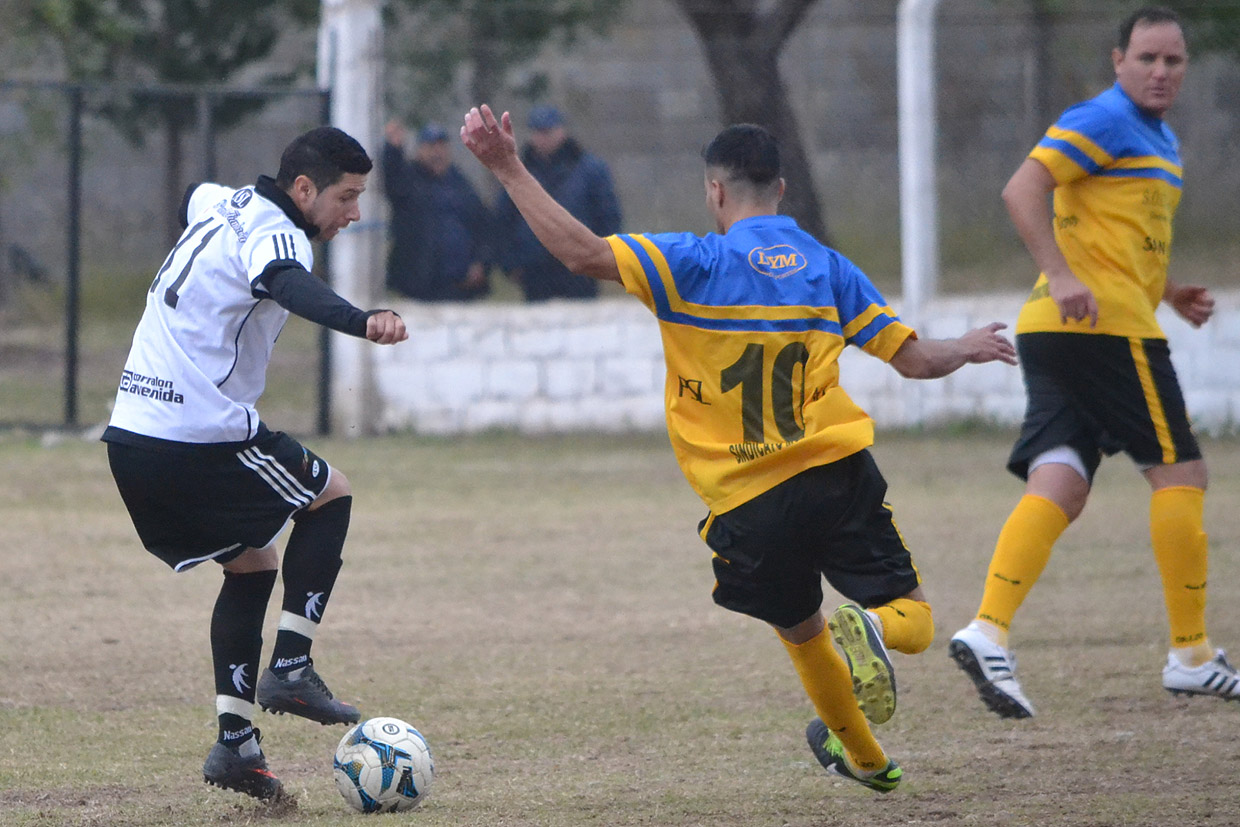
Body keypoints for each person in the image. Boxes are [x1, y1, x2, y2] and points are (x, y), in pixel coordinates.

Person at [462, 107, 1017, 792]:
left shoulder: (690, 262)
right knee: (917, 618)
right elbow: (916, 361)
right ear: (781, 189)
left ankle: (870, 758)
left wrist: (507, 167)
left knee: (802, 628)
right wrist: (966, 346)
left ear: (715, 192)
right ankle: (873, 633)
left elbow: (581, 252)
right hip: (834, 473)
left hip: (746, 500)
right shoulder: (828, 267)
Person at [947, 6, 1238, 720]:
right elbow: (1022, 188)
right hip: (1101, 327)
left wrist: (1169, 291)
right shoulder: (1103, 118)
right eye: (1147, 58)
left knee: (1064, 481)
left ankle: (986, 630)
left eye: (1173, 61)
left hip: (1064, 328)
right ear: (1118, 60)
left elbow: (1117, 234)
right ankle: (1192, 653)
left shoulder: (1160, 139)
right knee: (1182, 472)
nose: (1161, 71)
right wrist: (1064, 272)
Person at [102, 126, 408, 801]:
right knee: (331, 494)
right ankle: (291, 666)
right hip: (196, 434)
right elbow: (286, 283)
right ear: (303, 190)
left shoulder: (224, 202)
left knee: (254, 564)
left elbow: (190, 195)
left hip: (131, 435)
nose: (354, 213)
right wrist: (364, 321)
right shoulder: (281, 232)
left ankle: (236, 745)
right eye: (347, 197)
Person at [493, 104, 622, 301]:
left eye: (548, 131)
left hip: (581, 271)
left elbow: (607, 214)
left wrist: (604, 258)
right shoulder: (519, 171)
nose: (543, 138)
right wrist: (510, 263)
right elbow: (504, 219)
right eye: (538, 132)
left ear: (562, 131)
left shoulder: (590, 170)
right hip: (534, 271)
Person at [382, 119, 494, 301]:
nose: (437, 152)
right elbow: (392, 178)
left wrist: (482, 263)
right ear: (420, 150)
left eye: (441, 146)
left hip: (461, 287)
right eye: (430, 146)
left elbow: (483, 227)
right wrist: (393, 149)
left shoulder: (461, 184)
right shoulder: (409, 182)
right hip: (420, 287)